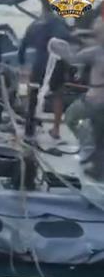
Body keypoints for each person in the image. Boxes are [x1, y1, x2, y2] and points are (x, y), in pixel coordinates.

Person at [52, 23, 104, 179]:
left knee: (71, 117)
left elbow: (73, 59)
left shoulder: (96, 52)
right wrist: (84, 33)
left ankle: (88, 149)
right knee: (99, 134)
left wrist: (57, 46)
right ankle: (96, 161)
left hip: (94, 99)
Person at [18, 0, 73, 139]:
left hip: (39, 63)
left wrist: (22, 62)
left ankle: (29, 128)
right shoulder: (59, 23)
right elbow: (67, 40)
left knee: (33, 93)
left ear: (41, 6)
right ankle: (55, 130)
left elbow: (23, 45)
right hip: (55, 63)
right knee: (58, 95)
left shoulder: (35, 24)